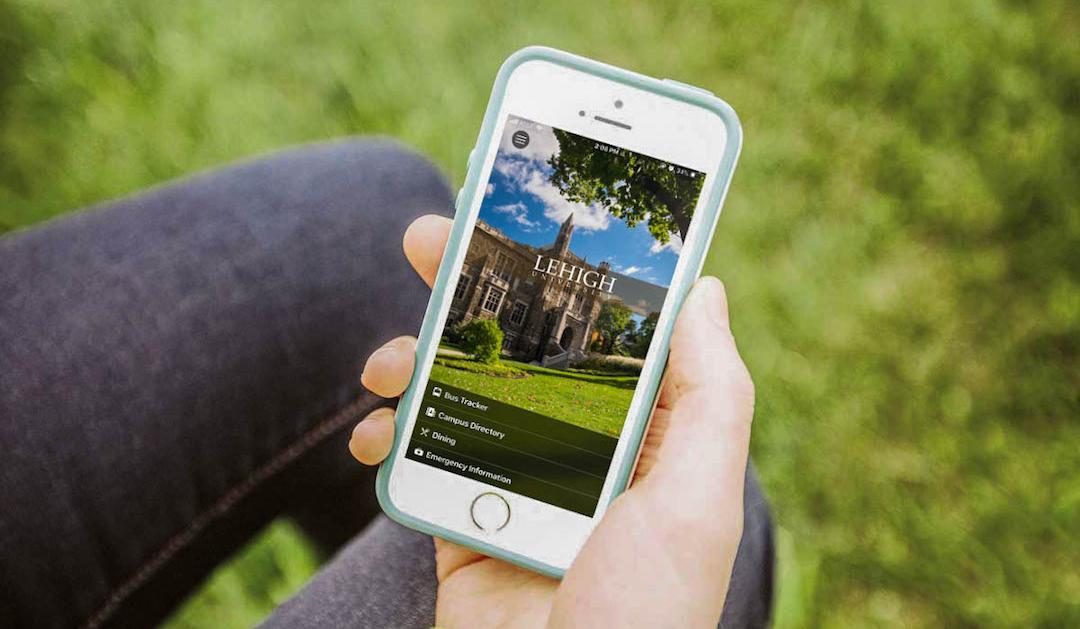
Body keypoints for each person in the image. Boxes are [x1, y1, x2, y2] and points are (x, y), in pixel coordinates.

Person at [0, 140, 773, 628]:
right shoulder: (536, 273)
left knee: (375, 203)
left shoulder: (579, 290)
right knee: (710, 503)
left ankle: (417, 511)